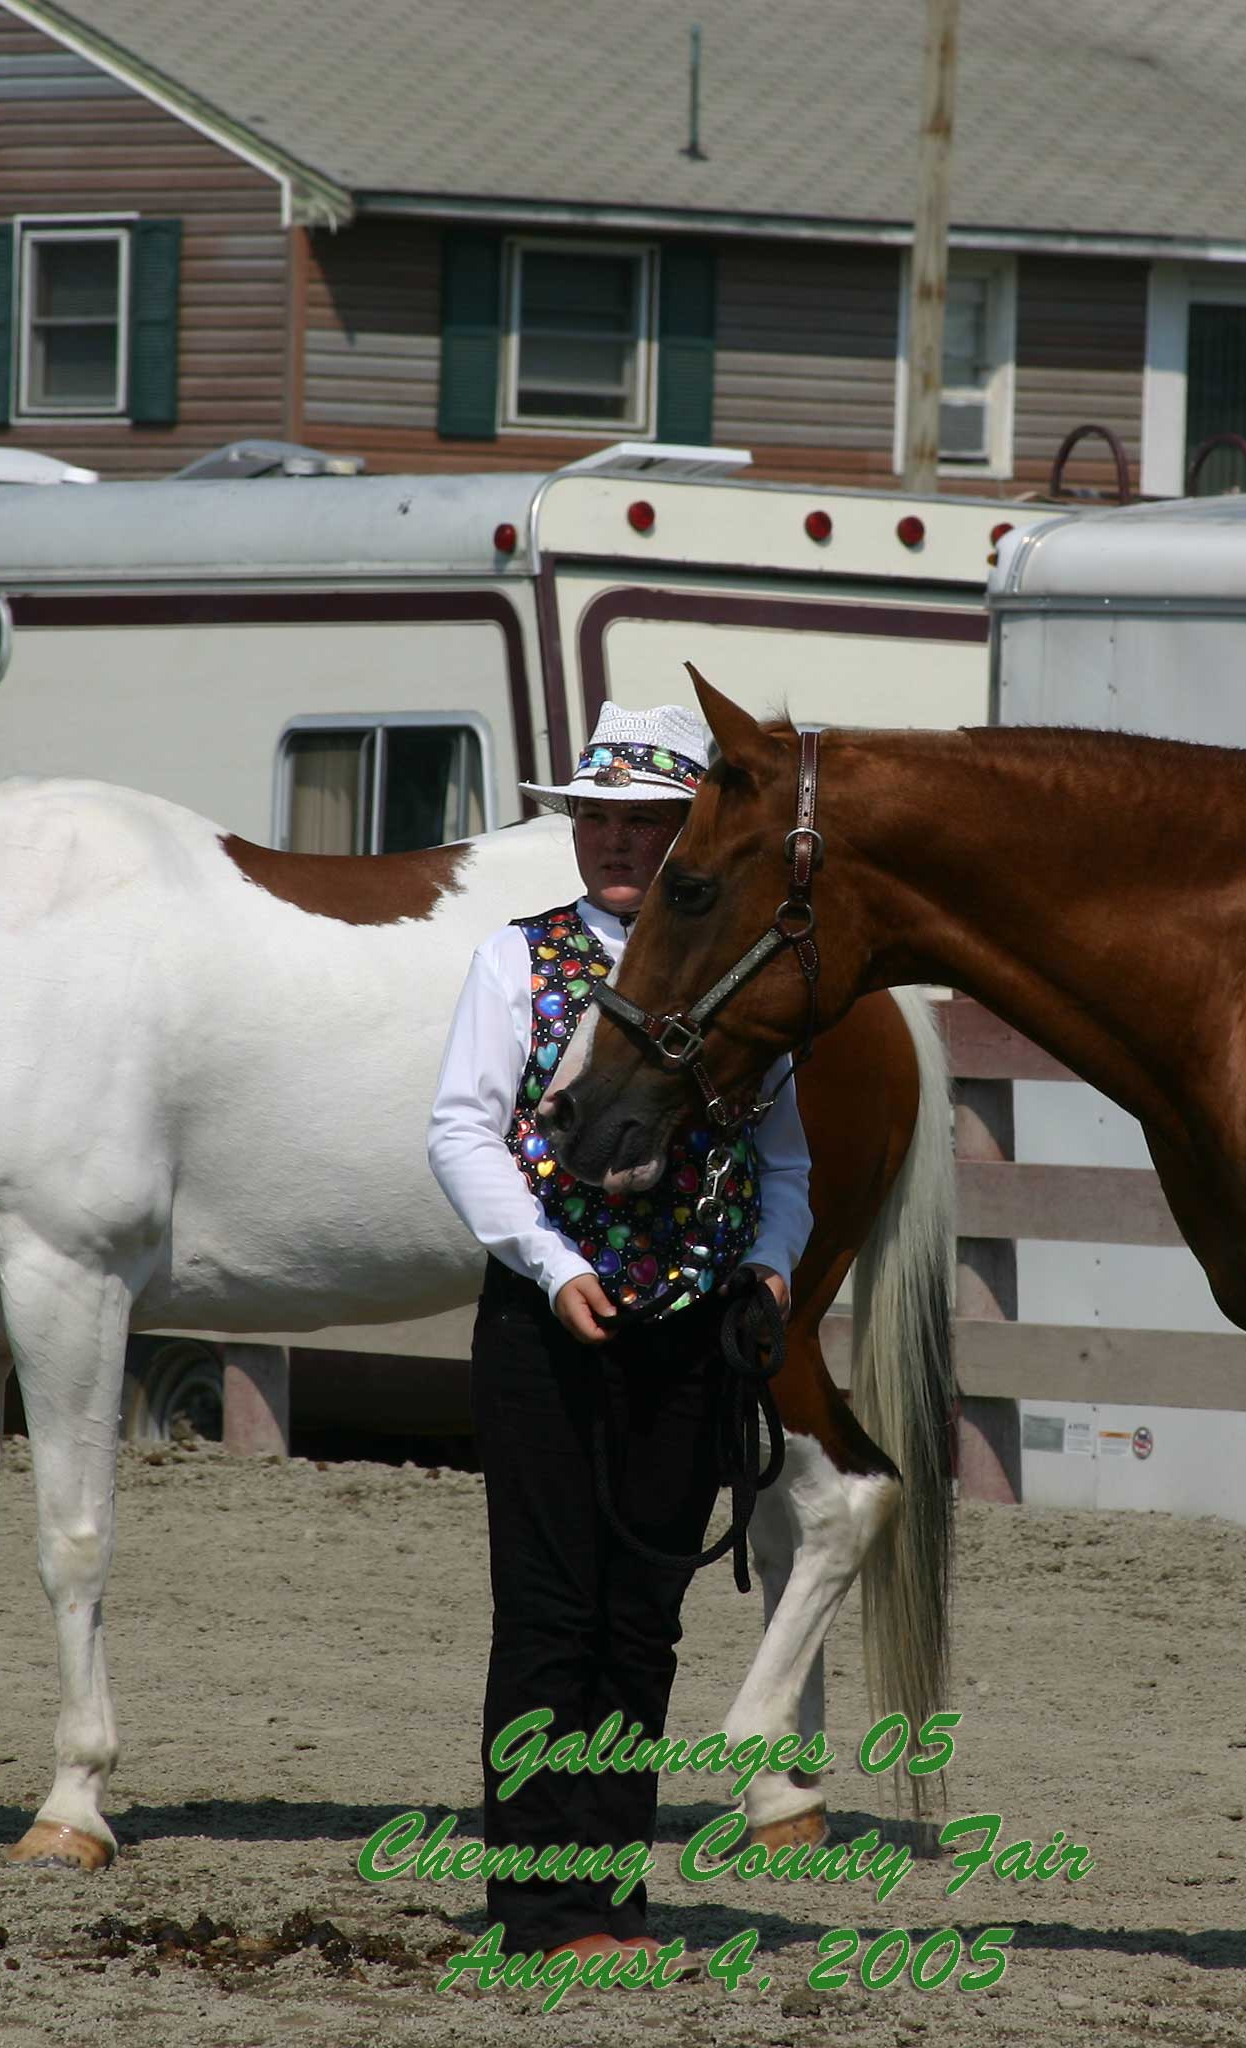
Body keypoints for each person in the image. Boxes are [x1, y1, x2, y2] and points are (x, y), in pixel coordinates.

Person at [427, 702, 814, 1962]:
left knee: (642, 1618)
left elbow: (784, 1158)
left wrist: (765, 1265)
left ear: (680, 834)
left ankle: (611, 1898)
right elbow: (463, 1130)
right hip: (551, 1324)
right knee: (549, 1612)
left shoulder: (732, 971)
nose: (615, 842)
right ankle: (541, 1907)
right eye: (598, 818)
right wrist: (544, 1263)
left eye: (644, 823)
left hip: (690, 1322)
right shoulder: (520, 959)